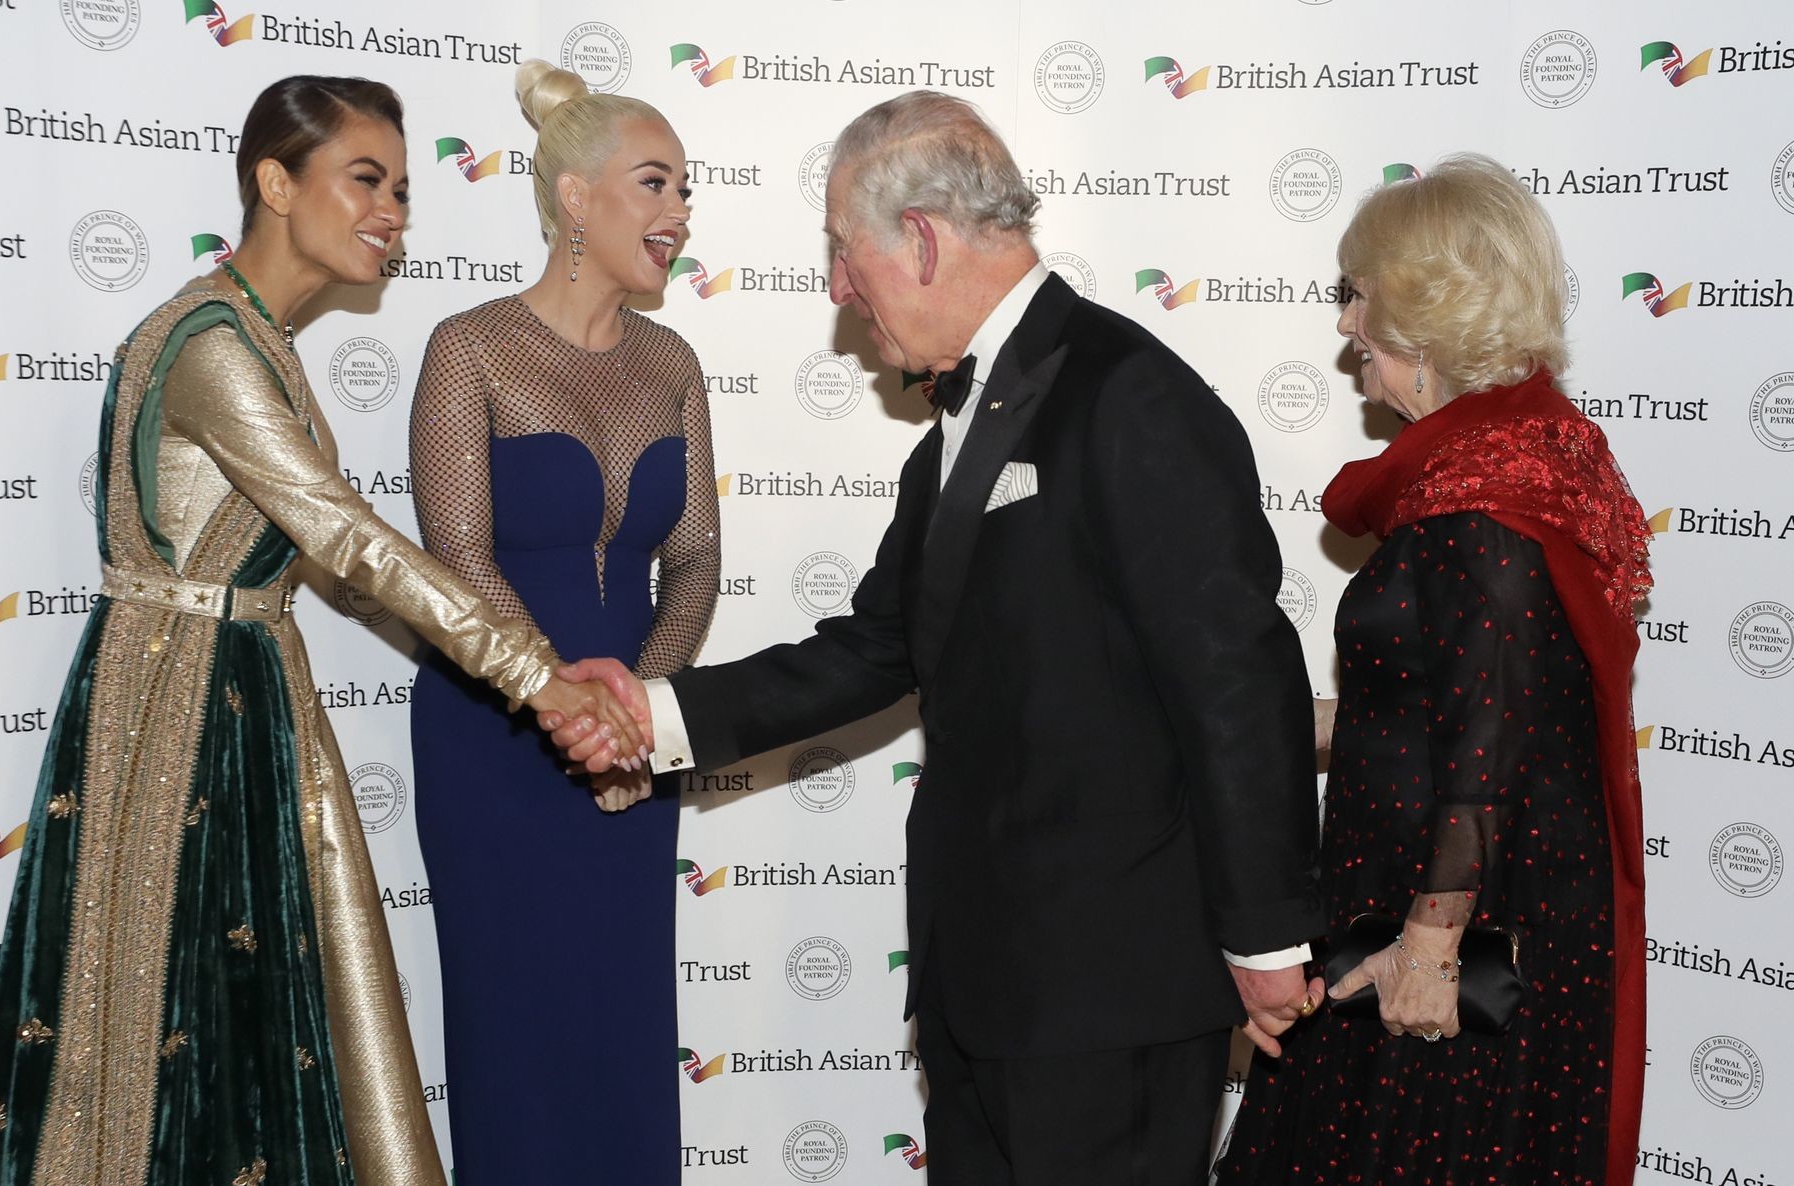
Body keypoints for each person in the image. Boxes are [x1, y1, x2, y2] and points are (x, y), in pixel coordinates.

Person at [547, 91, 1322, 1186]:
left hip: (1112, 996)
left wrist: (1267, 935)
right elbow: (875, 646)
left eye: (841, 250)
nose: (835, 287)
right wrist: (654, 712)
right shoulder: (955, 430)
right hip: (983, 989)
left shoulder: (1129, 395)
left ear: (918, 238)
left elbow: (1235, 678)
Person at [0, 75, 643, 1186]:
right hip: (175, 705)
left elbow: (335, 556)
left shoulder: (262, 338)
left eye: (404, 191)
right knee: (158, 1009)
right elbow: (351, 539)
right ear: (275, 184)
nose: (392, 213)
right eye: (365, 180)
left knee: (249, 1015)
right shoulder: (211, 344)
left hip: (241, 689)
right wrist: (542, 678)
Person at [1214, 155, 1652, 1186]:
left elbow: (1489, 751)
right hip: (1425, 913)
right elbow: (1439, 709)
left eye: (1358, 295)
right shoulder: (1516, 461)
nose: (1345, 324)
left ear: (1421, 314)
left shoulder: (1482, 503)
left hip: (1449, 946)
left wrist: (1429, 947)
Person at [407, 59, 719, 1184]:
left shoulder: (673, 363)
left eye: (685, 190)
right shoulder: (472, 347)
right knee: (517, 1033)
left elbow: (695, 561)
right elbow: (459, 559)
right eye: (655, 183)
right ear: (576, 198)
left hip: (633, 745)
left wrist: (638, 716)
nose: (679, 213)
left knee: (621, 1023)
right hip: (496, 736)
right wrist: (565, 701)